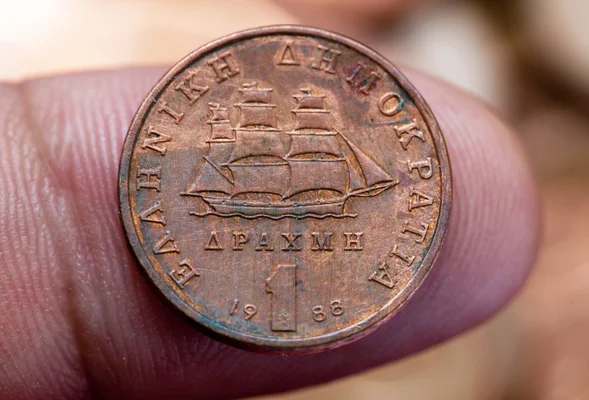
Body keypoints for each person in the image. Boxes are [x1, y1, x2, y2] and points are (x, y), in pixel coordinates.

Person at [0, 65, 538, 399]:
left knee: (313, 167)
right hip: (266, 188)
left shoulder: (318, 145)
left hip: (284, 184)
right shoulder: (260, 152)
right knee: (294, 172)